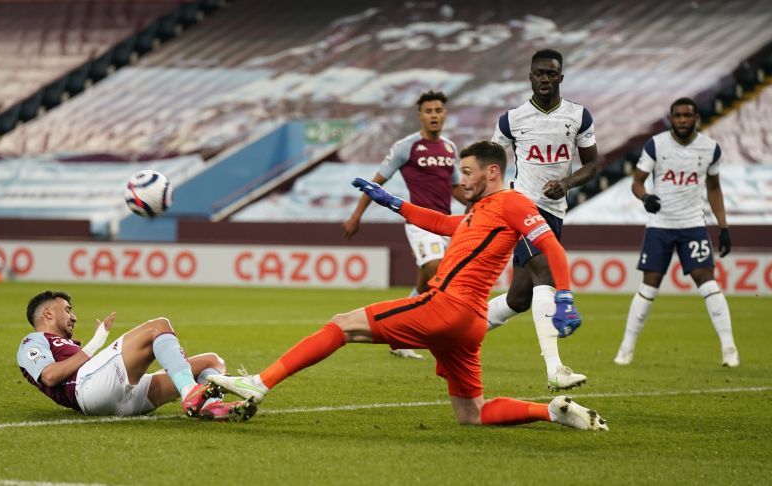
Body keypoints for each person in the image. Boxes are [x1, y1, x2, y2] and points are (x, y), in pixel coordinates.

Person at [210, 141, 608, 431]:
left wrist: (565, 297)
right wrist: (391, 202)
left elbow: (551, 246)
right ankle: (552, 412)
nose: (461, 179)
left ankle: (256, 385)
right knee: (471, 414)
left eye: (467, 172)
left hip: (446, 306)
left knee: (342, 323)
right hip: (468, 324)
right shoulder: (481, 212)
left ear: (491, 172)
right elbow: (440, 223)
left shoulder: (513, 202)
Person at [486, 48, 598, 391]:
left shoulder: (579, 117)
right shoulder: (512, 119)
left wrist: (565, 183)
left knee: (518, 299)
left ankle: (451, 329)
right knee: (545, 276)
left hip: (554, 212)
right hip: (520, 207)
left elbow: (592, 165)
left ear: (560, 77)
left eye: (551, 73)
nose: (545, 79)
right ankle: (555, 369)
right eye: (539, 73)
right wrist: (492, 196)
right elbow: (492, 160)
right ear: (530, 77)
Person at [614, 98, 739, 367]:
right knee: (649, 285)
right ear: (671, 118)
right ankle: (626, 347)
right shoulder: (656, 145)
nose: (682, 120)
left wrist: (724, 226)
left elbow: (714, 188)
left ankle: (729, 348)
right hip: (660, 225)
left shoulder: (710, 149)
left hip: (693, 224)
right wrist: (645, 197)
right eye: (678, 116)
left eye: (687, 115)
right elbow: (637, 180)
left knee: (707, 280)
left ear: (696, 118)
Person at [343, 90, 467, 360]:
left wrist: (478, 204)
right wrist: (356, 216)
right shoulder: (406, 146)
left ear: (445, 114)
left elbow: (456, 188)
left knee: (425, 284)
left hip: (445, 225)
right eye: (429, 111)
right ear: (420, 115)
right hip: (419, 222)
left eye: (438, 111)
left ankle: (398, 337)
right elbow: (377, 183)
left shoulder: (449, 148)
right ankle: (435, 337)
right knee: (436, 270)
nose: (434, 115)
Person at [17, 290, 256, 421]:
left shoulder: (67, 345)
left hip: (122, 399)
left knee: (212, 361)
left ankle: (212, 407)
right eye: (67, 310)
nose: (74, 317)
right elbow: (48, 376)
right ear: (47, 313)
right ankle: (190, 392)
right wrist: (94, 345)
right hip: (87, 389)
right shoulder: (32, 341)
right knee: (158, 326)